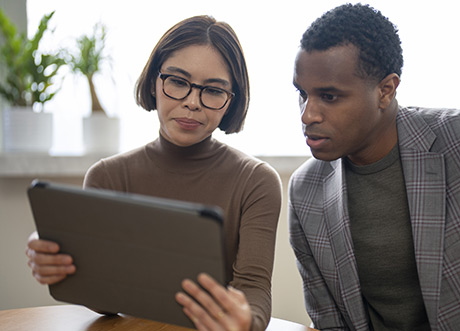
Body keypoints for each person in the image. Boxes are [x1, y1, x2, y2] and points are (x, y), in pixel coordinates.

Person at [288, 3, 460, 331]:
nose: (308, 115)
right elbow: (330, 322)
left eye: (329, 97)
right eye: (302, 94)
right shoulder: (306, 190)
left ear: (385, 90)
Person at [25, 15, 282, 331]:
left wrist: (248, 323)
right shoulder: (107, 176)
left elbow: (254, 288)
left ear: (231, 102)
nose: (191, 103)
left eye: (213, 90)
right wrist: (66, 258)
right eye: (177, 81)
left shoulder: (256, 181)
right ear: (152, 82)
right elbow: (104, 302)